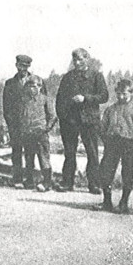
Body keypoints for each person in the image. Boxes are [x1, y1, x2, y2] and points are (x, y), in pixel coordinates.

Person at [54, 48, 108, 193]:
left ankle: (94, 184)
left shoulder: (97, 76)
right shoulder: (67, 77)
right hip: (70, 121)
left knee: (92, 152)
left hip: (89, 120)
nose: (77, 63)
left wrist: (86, 98)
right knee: (69, 152)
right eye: (75, 60)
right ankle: (67, 182)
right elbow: (59, 98)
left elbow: (104, 96)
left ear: (87, 59)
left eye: (80, 60)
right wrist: (62, 116)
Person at [95, 79, 133, 214]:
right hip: (112, 143)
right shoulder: (110, 109)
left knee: (128, 172)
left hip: (128, 144)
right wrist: (106, 139)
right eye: (118, 93)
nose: (121, 97)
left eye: (124, 94)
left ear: (131, 93)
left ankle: (124, 203)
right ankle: (107, 202)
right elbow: (102, 127)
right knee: (105, 170)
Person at [3, 55, 47, 188]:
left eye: (26, 67)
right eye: (21, 66)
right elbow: (6, 106)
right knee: (16, 152)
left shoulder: (37, 81)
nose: (23, 69)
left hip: (31, 125)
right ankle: (17, 179)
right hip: (16, 124)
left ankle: (29, 179)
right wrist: (11, 124)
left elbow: (42, 103)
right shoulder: (10, 83)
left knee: (30, 152)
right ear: (16, 65)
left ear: (29, 67)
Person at [18, 77, 57, 191]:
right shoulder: (24, 100)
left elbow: (52, 116)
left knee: (43, 157)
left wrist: (46, 128)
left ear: (40, 87)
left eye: (34, 86)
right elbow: (21, 116)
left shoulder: (45, 99)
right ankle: (29, 181)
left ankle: (47, 182)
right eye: (29, 86)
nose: (32, 89)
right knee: (29, 158)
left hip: (40, 133)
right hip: (28, 133)